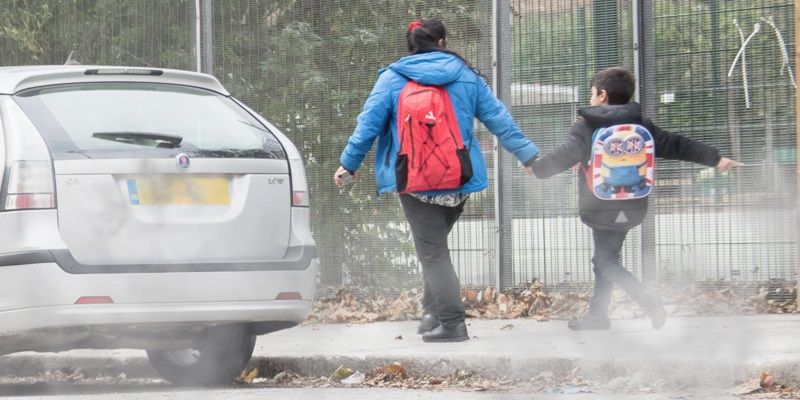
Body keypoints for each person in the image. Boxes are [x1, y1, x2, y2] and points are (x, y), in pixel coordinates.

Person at [334, 19, 539, 342]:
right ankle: (432, 313)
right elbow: (500, 119)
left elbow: (367, 125)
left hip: (414, 180)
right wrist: (528, 155)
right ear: (442, 42)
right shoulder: (467, 76)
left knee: (432, 252)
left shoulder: (392, 79)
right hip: (459, 177)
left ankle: (453, 323)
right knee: (436, 249)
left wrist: (349, 164)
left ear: (410, 46)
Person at [528, 67, 742, 330]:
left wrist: (536, 170)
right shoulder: (641, 125)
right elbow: (676, 144)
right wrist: (716, 159)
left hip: (601, 206)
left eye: (593, 94)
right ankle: (597, 316)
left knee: (605, 261)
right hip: (632, 204)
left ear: (603, 95)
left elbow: (564, 155)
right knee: (606, 259)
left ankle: (647, 298)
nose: (591, 99)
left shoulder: (587, 125)